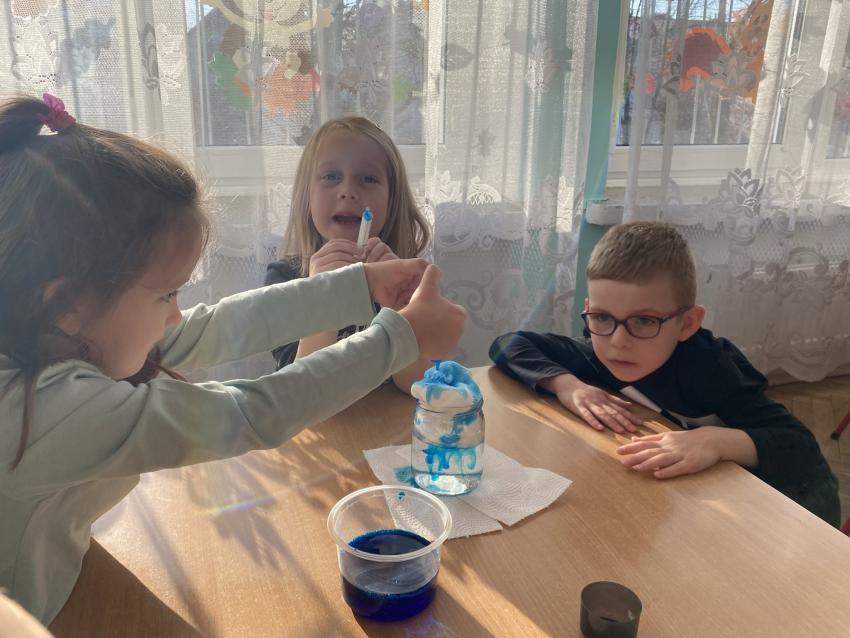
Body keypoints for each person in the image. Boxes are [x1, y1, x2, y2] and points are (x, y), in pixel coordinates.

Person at [0, 94, 466, 624]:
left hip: (65, 576)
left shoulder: (53, 329)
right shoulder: (41, 414)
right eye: (165, 295)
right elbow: (249, 412)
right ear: (67, 304)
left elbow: (215, 325)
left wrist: (358, 287)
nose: (176, 315)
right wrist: (399, 337)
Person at [490, 221, 839, 526]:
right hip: (704, 500)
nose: (618, 342)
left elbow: (800, 447)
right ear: (589, 310)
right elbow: (509, 344)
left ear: (687, 323)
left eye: (644, 321)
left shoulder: (711, 368)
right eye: (602, 317)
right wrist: (568, 386)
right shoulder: (594, 350)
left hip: (796, 502)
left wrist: (716, 441)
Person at [265, 115, 433, 394]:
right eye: (331, 176)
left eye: (368, 179)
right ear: (307, 195)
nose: (348, 191)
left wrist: (397, 311)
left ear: (391, 199)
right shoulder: (284, 280)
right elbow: (299, 393)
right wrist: (323, 295)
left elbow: (421, 384)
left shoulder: (404, 278)